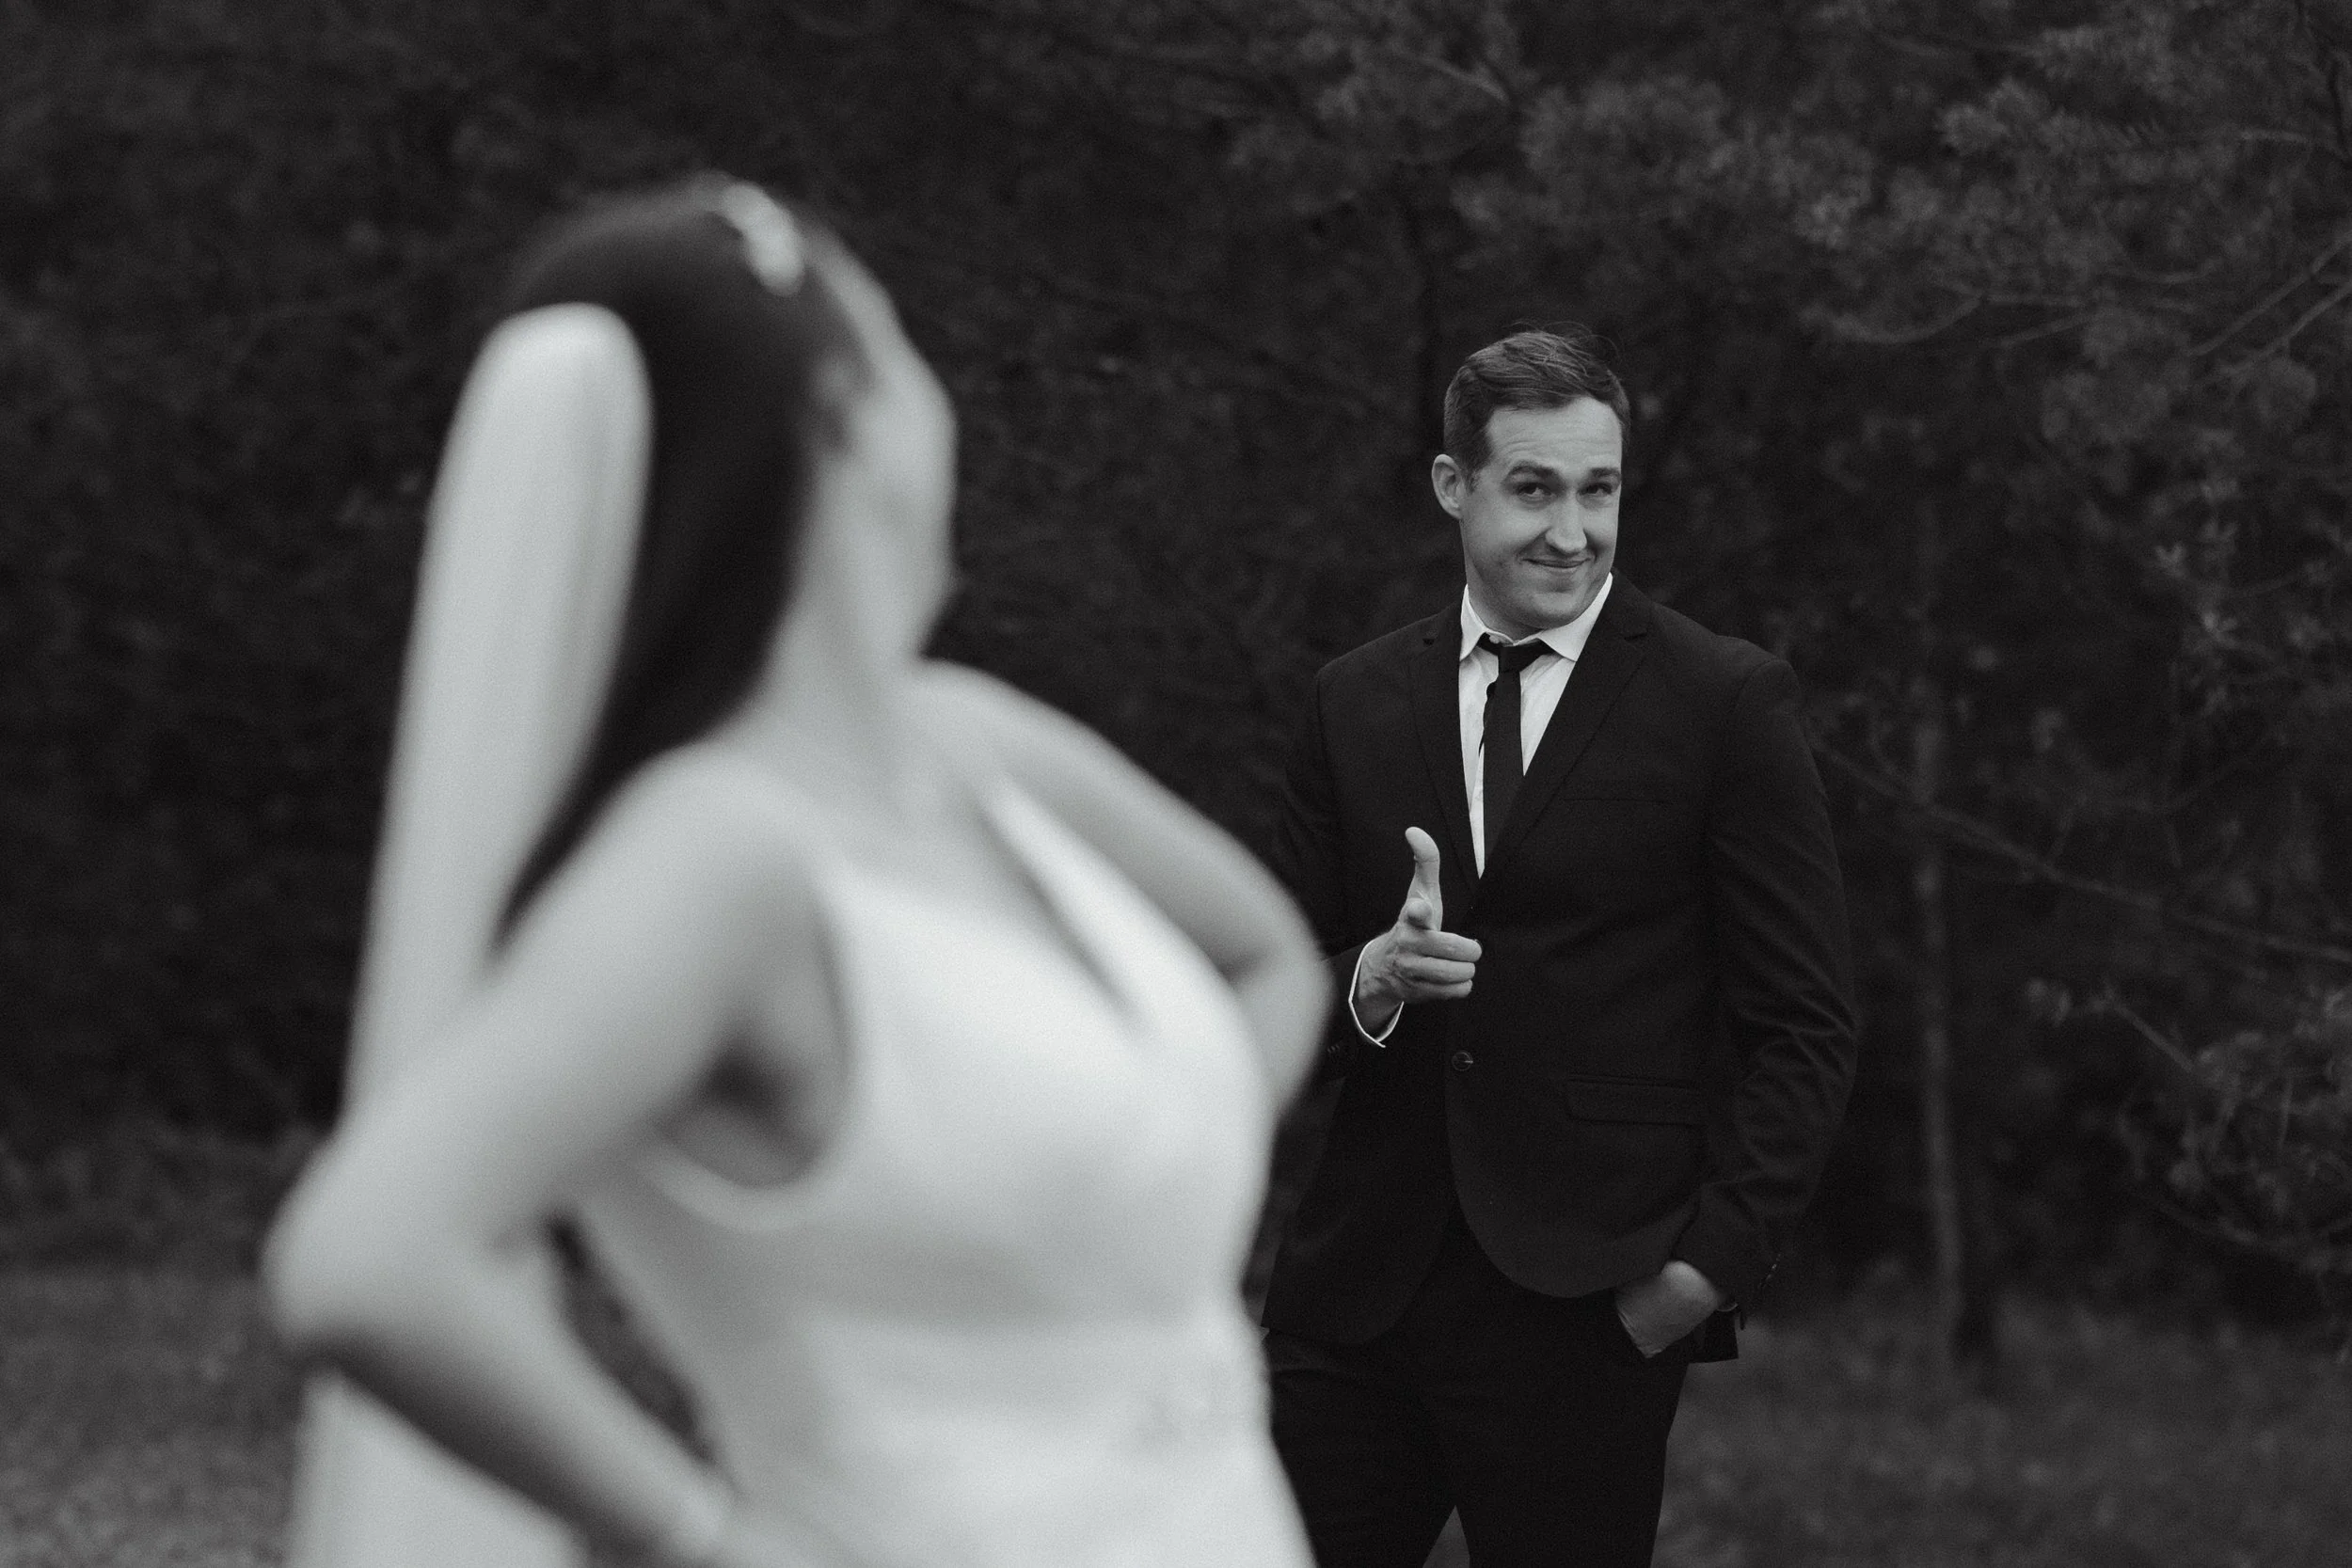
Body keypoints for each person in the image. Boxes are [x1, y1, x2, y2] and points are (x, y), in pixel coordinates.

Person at [264, 177, 1328, 1568]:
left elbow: (1270, 953)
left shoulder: (977, 746)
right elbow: (363, 1260)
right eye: (907, 349)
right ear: (843, 419)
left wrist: (1148, 1169)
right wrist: (710, 1543)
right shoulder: (717, 857)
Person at [1258, 327, 1858, 1568]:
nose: (1571, 531)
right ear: (1452, 485)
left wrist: (1702, 1271)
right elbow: (1273, 979)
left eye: (1600, 489)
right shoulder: (1352, 702)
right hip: (1357, 1298)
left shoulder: (1723, 702)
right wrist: (1372, 976)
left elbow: (1805, 1020)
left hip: (1593, 1309)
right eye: (1534, 487)